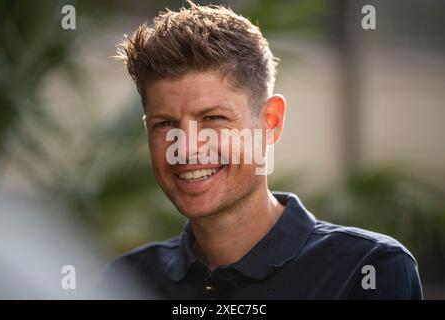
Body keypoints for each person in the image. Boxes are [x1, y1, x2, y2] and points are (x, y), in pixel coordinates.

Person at [98, 1, 422, 299]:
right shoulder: (125, 280)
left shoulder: (367, 269)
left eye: (213, 118)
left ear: (271, 121)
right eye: (164, 124)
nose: (187, 146)